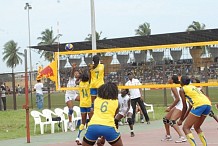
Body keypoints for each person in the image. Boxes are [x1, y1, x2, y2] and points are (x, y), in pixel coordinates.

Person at [178, 76, 212, 146]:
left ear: (182, 82)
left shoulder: (182, 89)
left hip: (199, 105)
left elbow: (185, 106)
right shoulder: (192, 87)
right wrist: (183, 119)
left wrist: (181, 120)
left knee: (185, 128)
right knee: (197, 127)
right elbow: (190, 107)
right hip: (208, 104)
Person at [161, 75, 187, 143]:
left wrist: (170, 107)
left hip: (181, 105)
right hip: (179, 104)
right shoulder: (176, 86)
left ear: (172, 80)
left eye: (169, 78)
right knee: (166, 119)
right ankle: (168, 136)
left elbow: (178, 99)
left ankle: (182, 137)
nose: (168, 79)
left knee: (172, 121)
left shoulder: (173, 86)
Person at [75, 71, 92, 145]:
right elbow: (91, 78)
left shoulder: (80, 84)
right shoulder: (89, 84)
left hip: (82, 104)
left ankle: (78, 137)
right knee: (91, 121)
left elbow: (76, 82)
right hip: (88, 104)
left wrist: (79, 76)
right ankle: (87, 137)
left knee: (83, 122)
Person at [65, 63, 81, 131]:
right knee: (71, 109)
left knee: (84, 101)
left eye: (77, 73)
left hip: (74, 94)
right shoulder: (71, 78)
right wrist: (73, 68)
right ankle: (70, 124)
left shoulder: (80, 81)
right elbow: (72, 73)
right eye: (75, 73)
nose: (76, 74)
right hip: (68, 94)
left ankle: (85, 119)